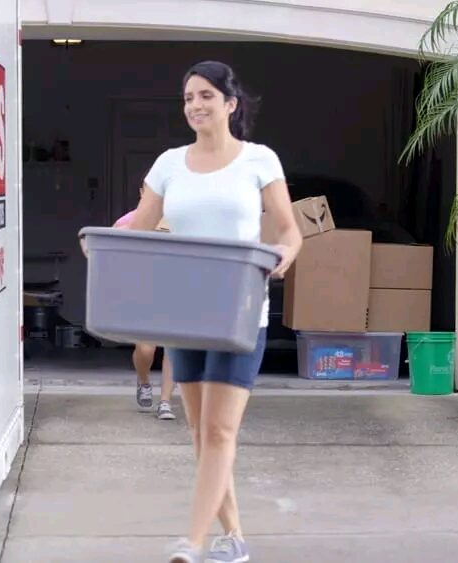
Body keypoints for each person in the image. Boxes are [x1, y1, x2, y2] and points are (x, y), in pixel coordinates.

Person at [121, 61, 302, 563]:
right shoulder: (169, 165)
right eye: (187, 98)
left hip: (240, 311)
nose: (195, 105)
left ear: (230, 103)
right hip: (185, 311)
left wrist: (285, 254)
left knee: (221, 431)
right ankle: (235, 538)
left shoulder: (259, 161)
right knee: (202, 433)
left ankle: (193, 540)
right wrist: (106, 250)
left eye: (205, 95)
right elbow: (138, 231)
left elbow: (289, 230)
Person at [112, 206, 176, 420]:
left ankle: (166, 402)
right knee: (146, 350)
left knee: (174, 350)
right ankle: (144, 381)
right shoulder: (132, 218)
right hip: (144, 292)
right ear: (143, 193)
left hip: (178, 289)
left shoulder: (185, 216)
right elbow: (111, 240)